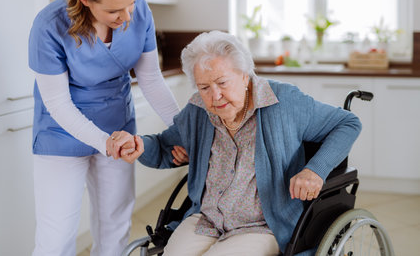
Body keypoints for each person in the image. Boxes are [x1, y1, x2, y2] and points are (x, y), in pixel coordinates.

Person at [108, 30, 362, 256]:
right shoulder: (198, 109)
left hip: (261, 226)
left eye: (222, 83)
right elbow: (164, 147)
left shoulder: (285, 102)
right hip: (206, 218)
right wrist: (138, 144)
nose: (214, 96)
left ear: (244, 75)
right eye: (204, 87)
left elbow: (348, 123)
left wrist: (315, 169)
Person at [28, 0, 186, 255]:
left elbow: (150, 79)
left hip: (117, 125)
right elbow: (59, 103)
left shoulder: (139, 12)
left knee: (115, 226)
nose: (126, 16)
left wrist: (185, 130)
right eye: (113, 10)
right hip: (61, 133)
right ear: (84, 0)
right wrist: (104, 142)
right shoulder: (49, 26)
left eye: (130, 4)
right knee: (56, 235)